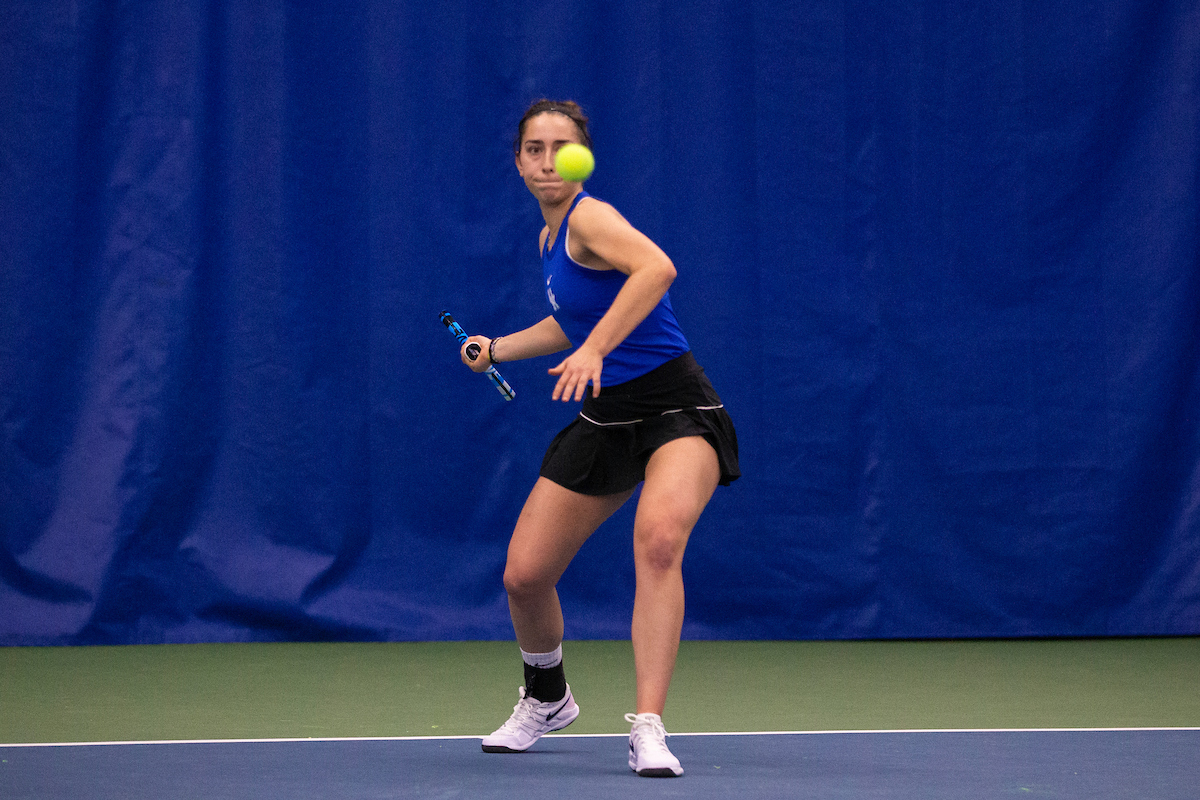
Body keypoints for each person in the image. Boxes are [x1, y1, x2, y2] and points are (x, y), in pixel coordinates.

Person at [460, 99, 740, 778]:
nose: (547, 160)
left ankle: (648, 725)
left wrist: (598, 351)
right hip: (610, 412)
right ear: (518, 161)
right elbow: (574, 322)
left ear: (583, 154)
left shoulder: (590, 218)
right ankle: (547, 697)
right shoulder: (550, 239)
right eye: (533, 147)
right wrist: (498, 348)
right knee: (525, 575)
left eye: (561, 146)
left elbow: (657, 271)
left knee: (659, 539)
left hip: (677, 407)